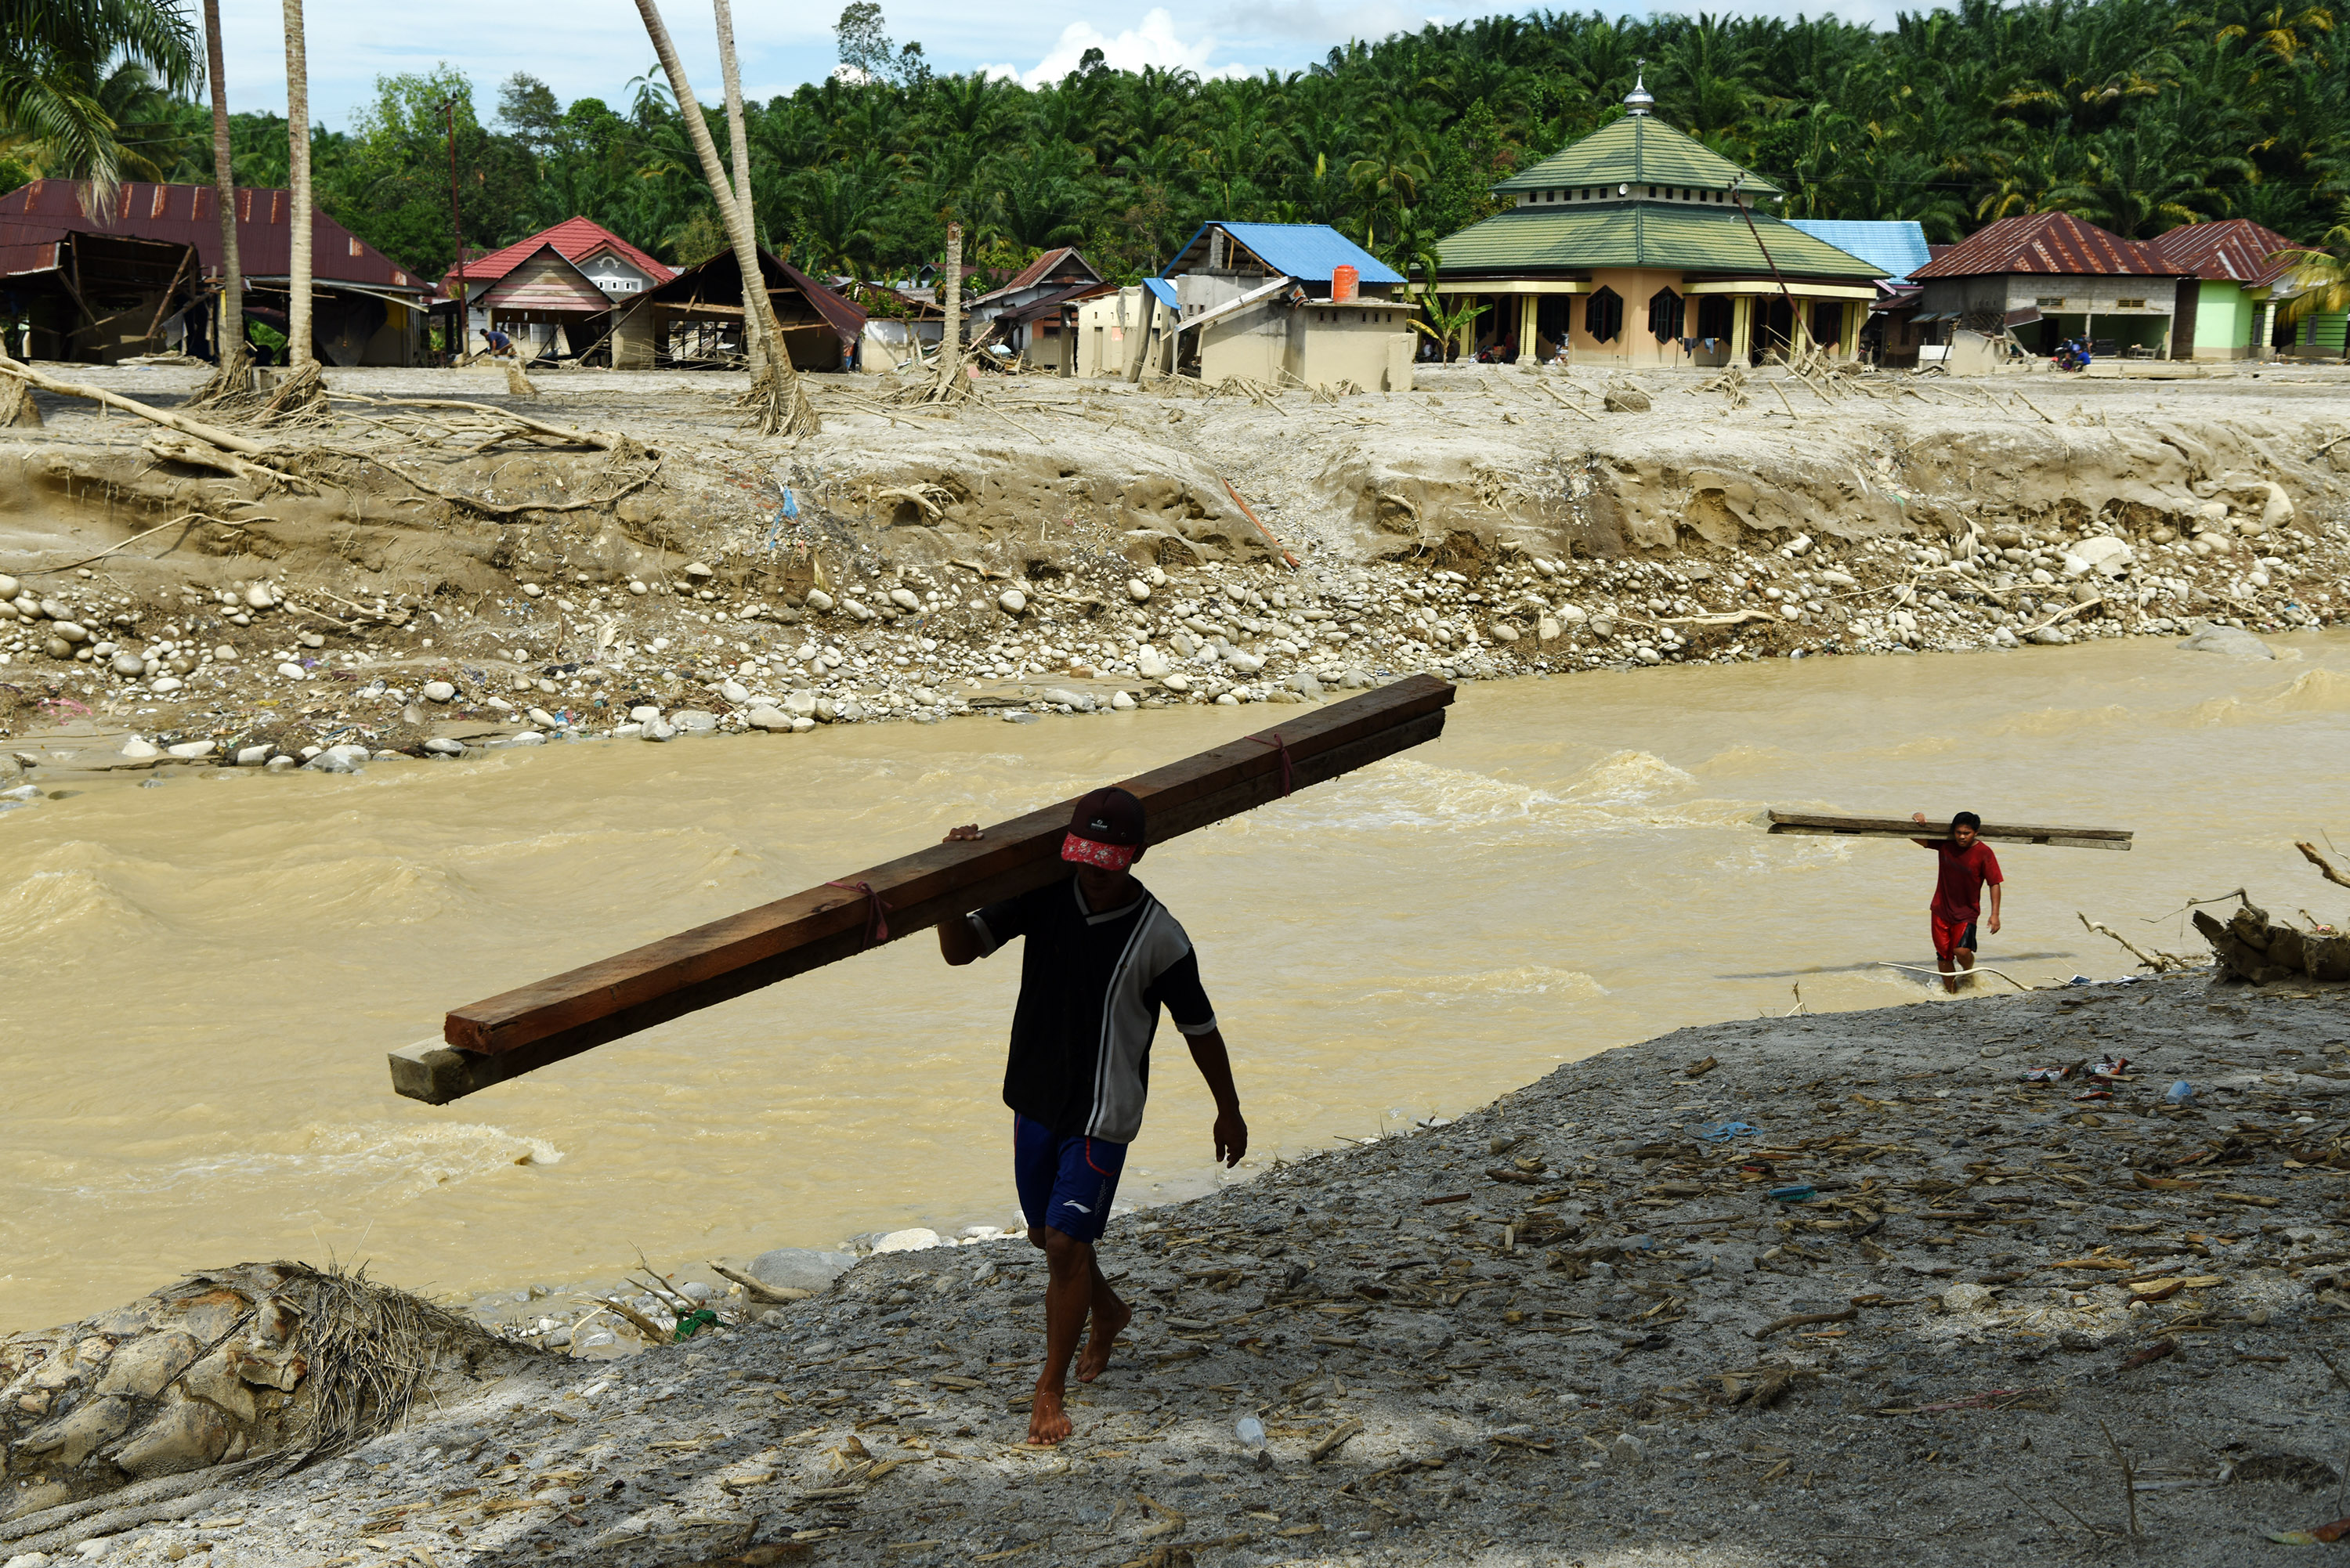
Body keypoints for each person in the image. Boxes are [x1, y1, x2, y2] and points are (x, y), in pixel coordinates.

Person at [938, 786, 1246, 1447]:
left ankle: (1047, 1391)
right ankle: (1107, 1313)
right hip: (1034, 1095)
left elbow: (1201, 1029)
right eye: (1085, 855)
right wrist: (950, 881)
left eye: (1108, 859)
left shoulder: (1160, 936)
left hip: (1105, 1111)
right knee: (1048, 1237)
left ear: (1136, 855)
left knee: (1065, 1245)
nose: (1093, 870)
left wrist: (1229, 1110)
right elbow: (962, 949)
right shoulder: (1046, 891)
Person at [1911, 811, 2003, 992]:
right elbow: (1914, 837)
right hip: (1941, 909)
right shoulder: (1946, 845)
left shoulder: (1984, 853)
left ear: (1976, 832)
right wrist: (1917, 819)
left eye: (1966, 833)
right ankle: (1952, 995)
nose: (1962, 837)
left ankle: (1968, 972)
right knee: (1944, 956)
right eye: (1958, 832)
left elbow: (1994, 883)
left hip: (1967, 912)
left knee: (1961, 951)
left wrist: (1995, 914)